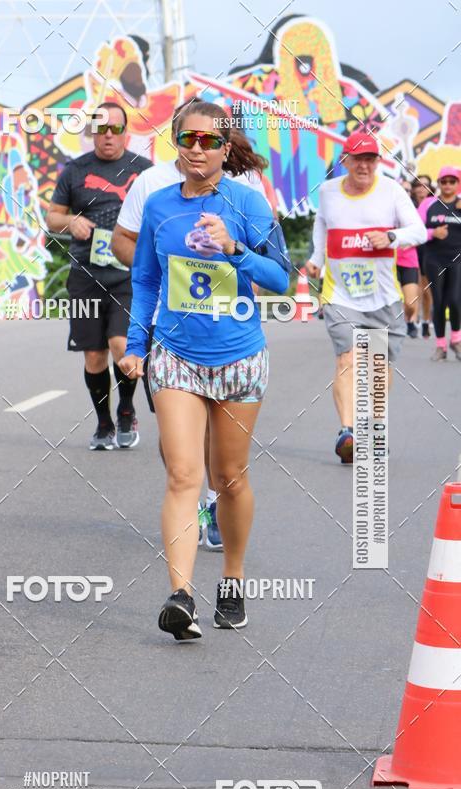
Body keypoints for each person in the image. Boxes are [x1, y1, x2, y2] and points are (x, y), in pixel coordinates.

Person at [118, 101, 290, 639]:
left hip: (238, 356)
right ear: (176, 142)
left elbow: (281, 278)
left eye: (209, 141)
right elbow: (146, 280)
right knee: (183, 474)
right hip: (175, 357)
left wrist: (234, 248)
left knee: (229, 478)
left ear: (225, 147)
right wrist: (137, 343)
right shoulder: (160, 205)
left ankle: (233, 579)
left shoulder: (248, 203)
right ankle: (181, 595)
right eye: (187, 139)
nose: (197, 149)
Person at [306, 132, 426, 463]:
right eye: (357, 159)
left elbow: (419, 230)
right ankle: (347, 431)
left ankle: (373, 427)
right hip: (340, 294)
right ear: (345, 161)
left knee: (378, 364)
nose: (364, 165)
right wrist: (316, 258)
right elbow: (322, 225)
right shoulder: (329, 192)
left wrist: (390, 236)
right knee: (346, 358)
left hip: (383, 295)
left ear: (377, 162)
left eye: (370, 159)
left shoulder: (391, 191)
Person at [46, 102, 151, 449]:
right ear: (92, 131)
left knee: (122, 346)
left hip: (129, 275)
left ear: (126, 132)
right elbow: (52, 218)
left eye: (115, 129)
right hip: (85, 274)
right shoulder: (75, 171)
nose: (108, 135)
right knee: (94, 355)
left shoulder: (144, 172)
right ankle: (104, 423)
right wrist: (70, 222)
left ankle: (126, 410)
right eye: (101, 129)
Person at [417, 166, 461, 361]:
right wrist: (432, 233)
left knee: (455, 300)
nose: (448, 185)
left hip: (457, 259)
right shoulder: (429, 204)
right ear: (439, 184)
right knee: (439, 301)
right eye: (444, 181)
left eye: (452, 182)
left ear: (458, 184)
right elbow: (416, 230)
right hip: (434, 259)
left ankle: (456, 340)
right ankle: (441, 346)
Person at [411, 175, 435, 338]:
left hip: (429, 250)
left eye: (425, 185)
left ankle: (426, 321)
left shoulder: (435, 206)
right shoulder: (408, 205)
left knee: (426, 290)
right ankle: (413, 321)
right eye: (418, 185)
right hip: (411, 250)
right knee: (415, 289)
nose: (422, 188)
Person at [397, 180, 421, 339]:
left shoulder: (415, 212)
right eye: (401, 189)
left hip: (409, 260)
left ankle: (410, 319)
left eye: (407, 189)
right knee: (387, 300)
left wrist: (410, 240)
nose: (404, 192)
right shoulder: (385, 210)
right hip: (388, 261)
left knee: (410, 303)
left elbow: (422, 234)